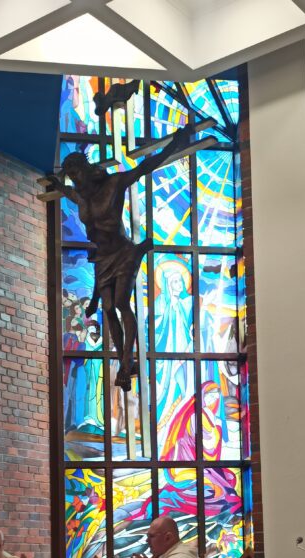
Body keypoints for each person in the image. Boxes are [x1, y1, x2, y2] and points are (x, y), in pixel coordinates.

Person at [44, 125, 195, 391]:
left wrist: (174, 145)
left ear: (87, 169)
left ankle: (127, 362)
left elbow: (145, 167)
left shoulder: (114, 184)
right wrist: (58, 185)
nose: (75, 180)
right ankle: (124, 358)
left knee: (122, 303)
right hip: (103, 259)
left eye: (77, 173)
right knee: (107, 308)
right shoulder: (80, 197)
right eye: (71, 176)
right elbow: (68, 192)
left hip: (124, 252)